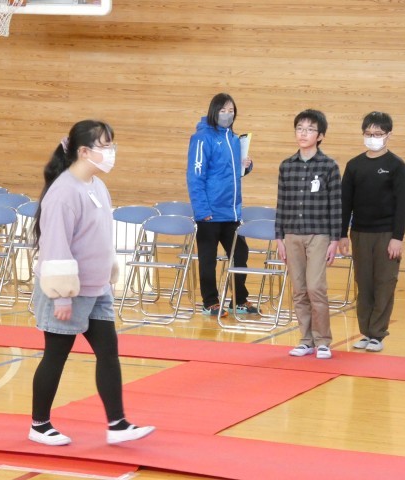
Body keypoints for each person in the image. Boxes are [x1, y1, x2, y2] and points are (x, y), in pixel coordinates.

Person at [29, 120, 155, 446]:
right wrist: (61, 296)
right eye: (105, 145)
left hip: (96, 289)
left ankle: (118, 423)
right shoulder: (63, 192)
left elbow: (99, 237)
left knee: (108, 353)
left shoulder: (97, 186)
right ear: (84, 151)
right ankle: (39, 425)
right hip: (67, 292)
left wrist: (106, 277)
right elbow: (56, 245)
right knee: (56, 356)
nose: (111, 152)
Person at [339, 112, 405, 353]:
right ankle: (366, 332)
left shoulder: (397, 166)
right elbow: (345, 203)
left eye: (378, 134)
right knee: (364, 283)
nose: (373, 137)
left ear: (388, 135)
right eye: (369, 133)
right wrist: (342, 234)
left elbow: (402, 205)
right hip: (360, 233)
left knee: (384, 283)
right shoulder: (354, 165)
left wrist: (397, 238)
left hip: (387, 234)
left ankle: (378, 334)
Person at [275, 109, 342, 359]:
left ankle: (323, 340)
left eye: (310, 129)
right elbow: (281, 203)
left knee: (316, 288)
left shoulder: (329, 166)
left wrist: (335, 239)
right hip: (292, 234)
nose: (304, 133)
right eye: (300, 129)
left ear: (320, 136)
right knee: (299, 289)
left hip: (319, 235)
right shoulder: (287, 166)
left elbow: (336, 205)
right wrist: (279, 238)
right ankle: (306, 340)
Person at [186, 93, 257, 317]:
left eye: (231, 110)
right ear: (214, 111)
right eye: (223, 110)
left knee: (240, 253)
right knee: (208, 259)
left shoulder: (234, 139)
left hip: (231, 211)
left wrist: (246, 166)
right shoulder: (202, 138)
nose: (227, 114)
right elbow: (195, 176)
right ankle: (210, 302)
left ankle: (239, 299)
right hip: (209, 212)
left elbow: (232, 173)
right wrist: (202, 210)